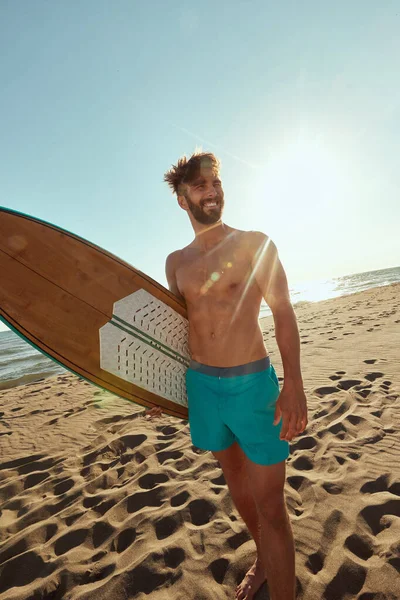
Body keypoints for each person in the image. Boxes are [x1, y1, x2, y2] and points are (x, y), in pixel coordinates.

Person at [163, 152, 307, 600]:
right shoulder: (175, 263)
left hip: (252, 386)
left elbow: (283, 311)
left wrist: (293, 384)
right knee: (239, 489)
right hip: (203, 388)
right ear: (183, 200)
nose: (212, 192)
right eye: (201, 186)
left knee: (272, 506)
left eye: (216, 184)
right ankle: (262, 560)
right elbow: (174, 334)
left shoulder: (253, 244)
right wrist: (157, 390)